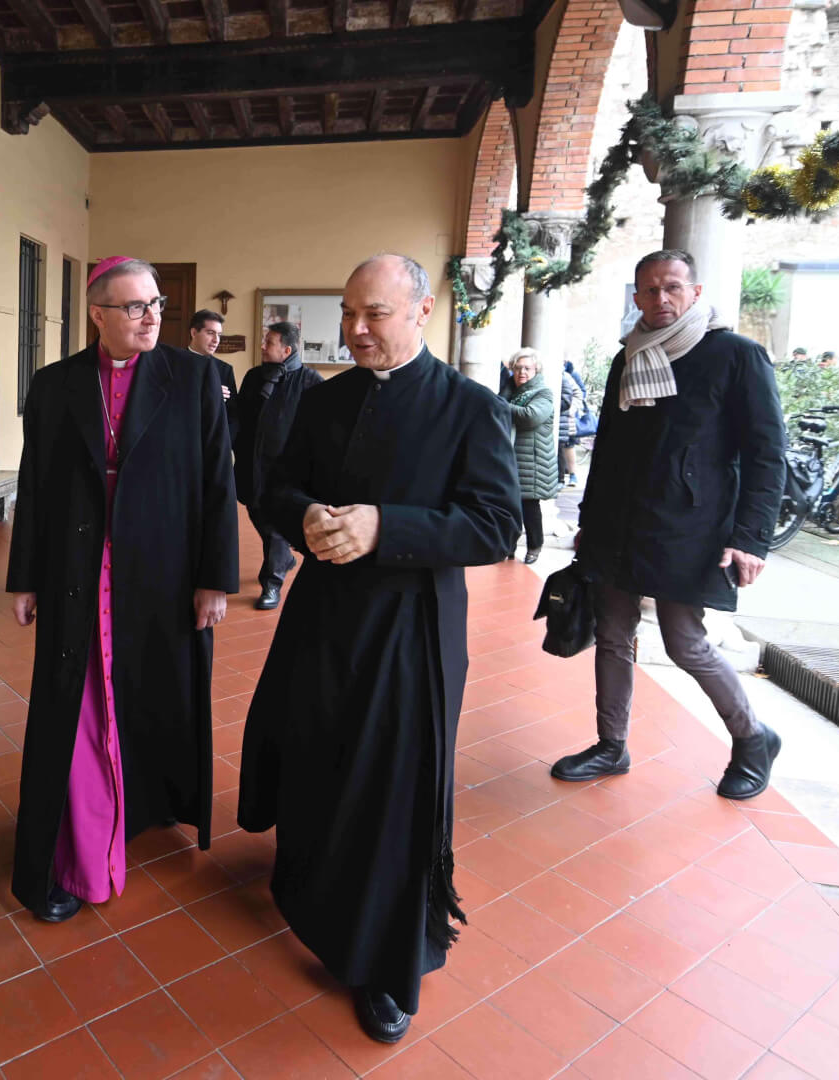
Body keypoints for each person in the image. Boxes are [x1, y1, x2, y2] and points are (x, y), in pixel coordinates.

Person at [237, 254, 520, 1044]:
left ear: (422, 310)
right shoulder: (325, 399)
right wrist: (305, 518)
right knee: (317, 754)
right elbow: (277, 487)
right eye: (349, 313)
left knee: (395, 787)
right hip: (325, 614)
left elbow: (497, 526)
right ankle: (309, 889)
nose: (356, 330)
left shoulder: (470, 407)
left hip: (411, 626)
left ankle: (384, 963)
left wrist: (385, 527)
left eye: (376, 314)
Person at [6, 257, 238, 923]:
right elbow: (35, 484)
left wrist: (214, 579)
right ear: (97, 314)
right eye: (134, 306)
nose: (151, 317)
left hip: (162, 572)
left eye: (156, 304)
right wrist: (25, 577)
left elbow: (218, 484)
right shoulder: (55, 385)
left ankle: (143, 801)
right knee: (78, 705)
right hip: (76, 572)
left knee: (146, 692)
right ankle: (75, 855)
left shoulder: (194, 378)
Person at [554, 249, 786, 801]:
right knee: (612, 636)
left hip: (690, 528)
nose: (661, 298)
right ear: (636, 297)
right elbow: (608, 447)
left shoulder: (736, 355)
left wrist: (751, 539)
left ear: (695, 292)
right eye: (651, 290)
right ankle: (611, 745)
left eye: (673, 287)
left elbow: (767, 454)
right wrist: (588, 519)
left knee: (686, 643)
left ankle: (753, 739)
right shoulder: (628, 357)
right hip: (618, 524)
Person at [235, 321, 323, 609]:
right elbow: (240, 416)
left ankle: (271, 583)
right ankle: (284, 558)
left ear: (286, 350)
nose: (262, 346)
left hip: (286, 470)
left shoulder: (310, 380)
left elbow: (319, 429)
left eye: (269, 342)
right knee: (257, 512)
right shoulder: (254, 377)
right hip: (251, 464)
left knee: (274, 527)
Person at [500, 348, 560, 563]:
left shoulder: (543, 393)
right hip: (511, 456)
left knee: (529, 507)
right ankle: (508, 547)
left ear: (536, 370)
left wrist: (501, 405)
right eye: (517, 368)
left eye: (527, 368)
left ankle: (535, 545)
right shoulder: (509, 392)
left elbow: (530, 417)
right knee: (508, 505)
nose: (522, 372)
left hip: (533, 460)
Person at [189, 308, 239, 444]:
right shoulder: (173, 364)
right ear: (194, 333)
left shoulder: (225, 369)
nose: (216, 340)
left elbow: (232, 415)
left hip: (213, 443)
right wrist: (209, 394)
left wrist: (224, 443)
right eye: (210, 333)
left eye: (219, 334)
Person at [559, 359, 586, 487]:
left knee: (568, 445)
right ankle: (561, 477)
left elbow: (579, 393)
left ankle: (572, 475)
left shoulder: (566, 376)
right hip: (559, 417)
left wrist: (571, 410)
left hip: (566, 417)